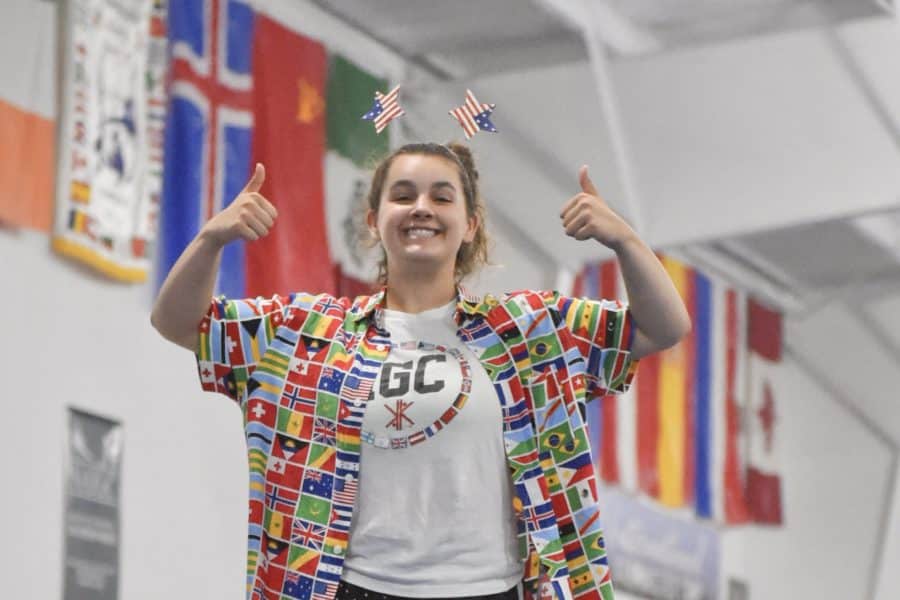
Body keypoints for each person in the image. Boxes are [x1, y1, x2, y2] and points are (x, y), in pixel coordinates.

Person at [151, 142, 691, 600]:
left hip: (490, 587)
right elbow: (178, 322)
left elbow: (663, 327)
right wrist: (210, 240)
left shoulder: (531, 329)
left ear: (470, 223)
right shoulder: (304, 333)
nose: (421, 208)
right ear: (374, 220)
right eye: (403, 196)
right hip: (351, 585)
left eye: (441, 196)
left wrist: (625, 240)